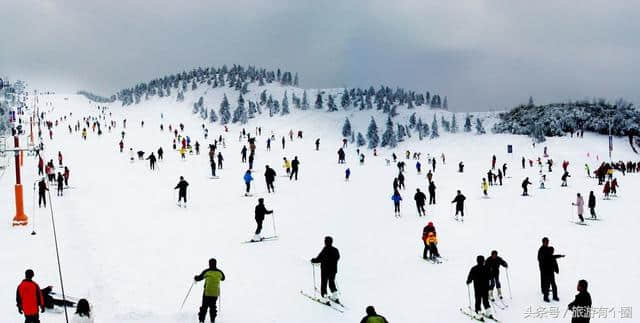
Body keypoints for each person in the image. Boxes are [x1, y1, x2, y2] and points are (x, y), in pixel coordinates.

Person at [194, 258, 225, 323]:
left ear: (209, 264)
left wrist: (195, 277)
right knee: (213, 307)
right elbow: (223, 278)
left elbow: (199, 278)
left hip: (207, 293)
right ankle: (212, 320)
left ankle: (201, 320)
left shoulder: (207, 271)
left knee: (204, 307)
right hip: (215, 293)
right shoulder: (219, 272)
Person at [311, 236, 340, 303]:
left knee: (324, 283)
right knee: (331, 282)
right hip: (334, 270)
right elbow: (338, 257)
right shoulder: (335, 250)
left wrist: (313, 260)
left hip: (325, 270)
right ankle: (335, 296)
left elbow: (319, 258)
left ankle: (325, 298)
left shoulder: (325, 249)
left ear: (326, 242)